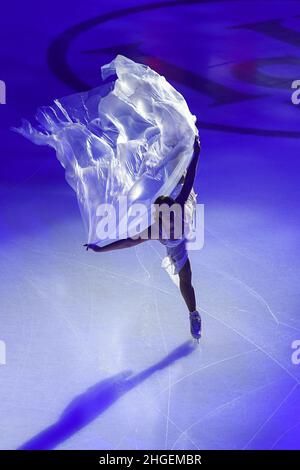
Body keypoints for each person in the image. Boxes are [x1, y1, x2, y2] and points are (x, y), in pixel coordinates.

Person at [85, 135, 201, 341]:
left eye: (170, 212)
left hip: (186, 210)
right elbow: (128, 241)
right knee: (185, 278)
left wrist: (196, 154)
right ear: (159, 215)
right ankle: (194, 314)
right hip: (177, 247)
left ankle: (177, 144)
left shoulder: (179, 205)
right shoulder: (155, 229)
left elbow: (190, 178)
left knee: (181, 179)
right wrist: (101, 248)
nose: (168, 216)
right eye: (164, 214)